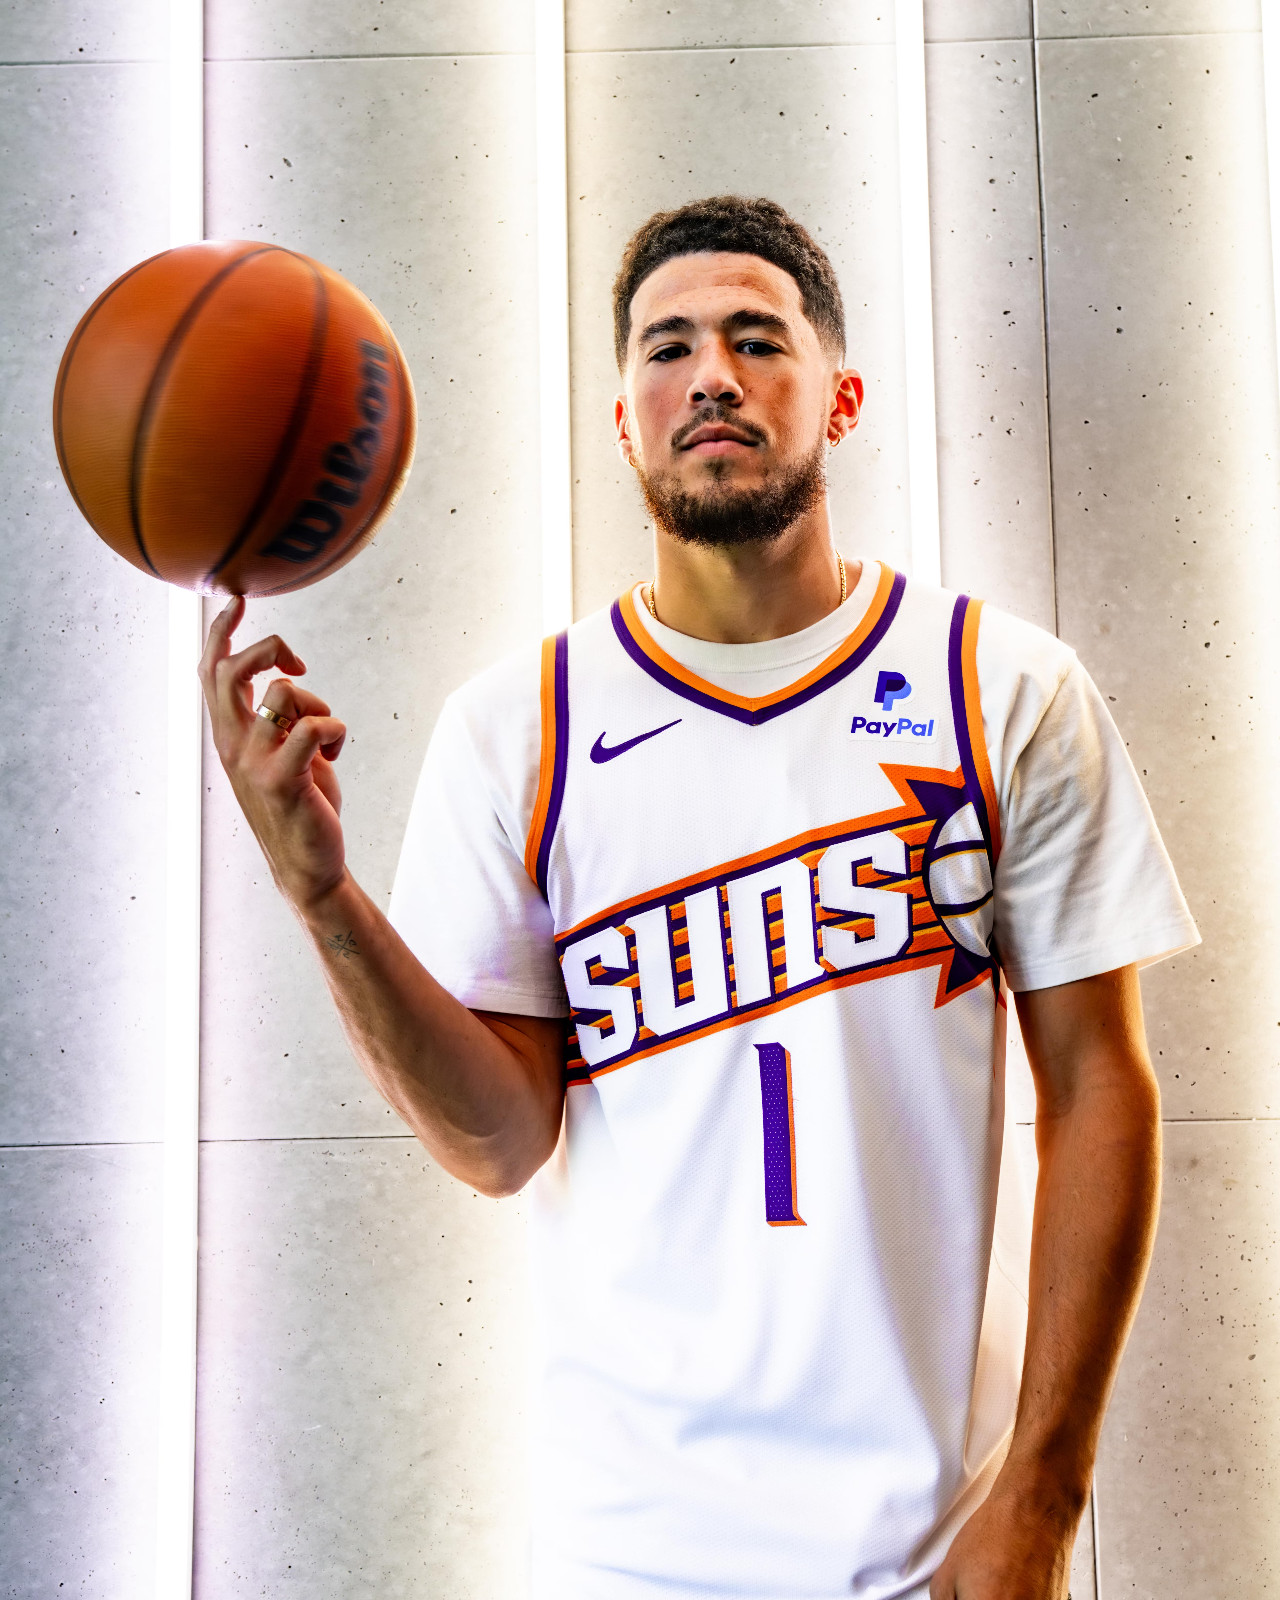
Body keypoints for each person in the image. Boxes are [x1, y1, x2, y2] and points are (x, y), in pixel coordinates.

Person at [200, 195, 1199, 1600]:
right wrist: (322, 899)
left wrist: (1042, 1495)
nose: (712, 374)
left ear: (841, 397)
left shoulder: (1004, 688)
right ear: (625, 421)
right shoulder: (518, 730)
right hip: (628, 1551)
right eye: (668, 348)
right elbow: (498, 1142)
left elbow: (1100, 1088)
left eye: (756, 339)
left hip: (936, 1541)